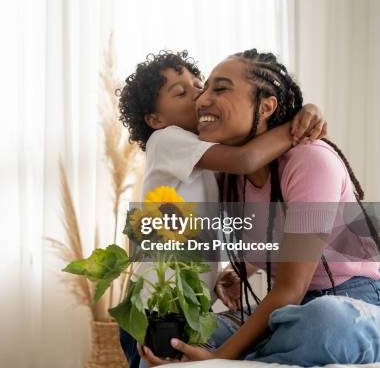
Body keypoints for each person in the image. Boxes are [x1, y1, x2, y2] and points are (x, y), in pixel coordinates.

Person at [137, 49, 380, 366]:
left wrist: (222, 357)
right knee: (173, 344)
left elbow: (292, 286)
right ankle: (265, 352)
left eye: (218, 88)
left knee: (326, 323)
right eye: (203, 89)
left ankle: (252, 355)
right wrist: (241, 271)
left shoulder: (311, 161)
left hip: (350, 297)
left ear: (266, 106)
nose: (201, 100)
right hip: (287, 310)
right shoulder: (226, 175)